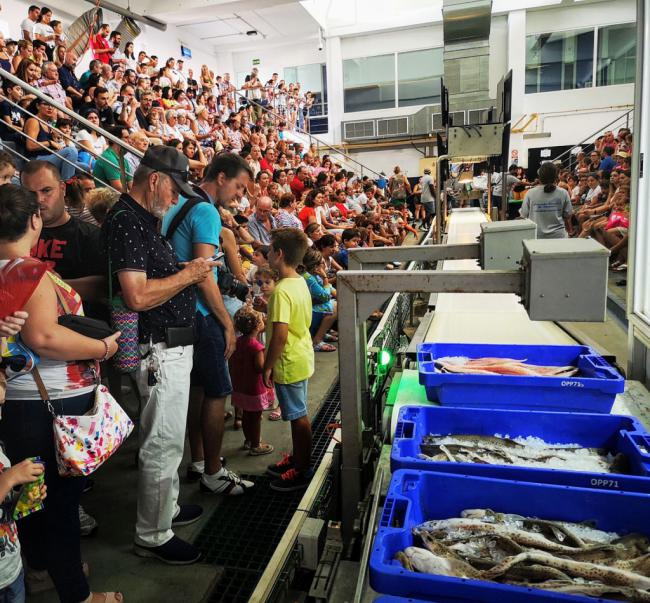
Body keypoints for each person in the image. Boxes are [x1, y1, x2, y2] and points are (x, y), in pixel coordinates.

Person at [0, 183, 123, 603]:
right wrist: (103, 347)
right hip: (47, 404)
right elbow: (45, 338)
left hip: (21, 405)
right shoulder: (27, 271)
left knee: (34, 500)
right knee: (60, 506)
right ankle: (77, 593)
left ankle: (40, 572)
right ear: (34, 220)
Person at [104, 145, 216, 565]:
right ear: (154, 179)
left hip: (168, 347)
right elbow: (135, 295)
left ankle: (164, 510)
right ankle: (152, 534)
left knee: (168, 441)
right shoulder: (128, 221)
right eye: (173, 191)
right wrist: (190, 272)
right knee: (163, 443)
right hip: (158, 349)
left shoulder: (140, 219)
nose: (174, 200)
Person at [161, 151, 254, 496]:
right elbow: (204, 275)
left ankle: (199, 461)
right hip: (201, 314)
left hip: (177, 311)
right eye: (238, 187)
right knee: (217, 392)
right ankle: (214, 472)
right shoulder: (205, 211)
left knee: (197, 391)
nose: (239, 195)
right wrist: (226, 324)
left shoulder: (176, 201)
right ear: (220, 178)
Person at [263, 228, 314, 492]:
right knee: (299, 413)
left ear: (279, 254)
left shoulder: (281, 291)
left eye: (270, 250)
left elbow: (280, 336)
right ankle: (298, 458)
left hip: (288, 361)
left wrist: (267, 365)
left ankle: (303, 469)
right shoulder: (300, 281)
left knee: (298, 417)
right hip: (301, 355)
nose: (267, 254)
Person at [229, 306, 275, 454]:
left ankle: (248, 440)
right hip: (254, 389)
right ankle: (256, 445)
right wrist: (270, 365)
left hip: (240, 387)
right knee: (255, 418)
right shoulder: (256, 346)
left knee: (246, 416)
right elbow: (260, 367)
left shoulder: (237, 342)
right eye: (261, 320)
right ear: (257, 326)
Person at [520, 162, 573, 239]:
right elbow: (568, 214)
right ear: (556, 176)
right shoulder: (563, 192)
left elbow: (524, 215)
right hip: (559, 237)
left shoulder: (530, 193)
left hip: (536, 236)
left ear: (539, 177)